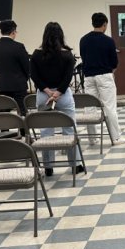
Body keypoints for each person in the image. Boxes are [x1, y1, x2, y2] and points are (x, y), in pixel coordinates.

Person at [30, 22, 81, 177]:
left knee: (46, 131)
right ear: (61, 35)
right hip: (63, 95)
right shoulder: (67, 54)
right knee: (70, 129)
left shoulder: (36, 54)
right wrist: (57, 93)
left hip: (43, 96)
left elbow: (34, 76)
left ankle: (48, 167)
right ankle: (75, 165)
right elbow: (68, 77)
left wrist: (47, 91)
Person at [79, 13, 125, 145]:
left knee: (89, 107)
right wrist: (111, 72)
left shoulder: (83, 40)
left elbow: (83, 58)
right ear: (105, 24)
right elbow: (114, 62)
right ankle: (115, 138)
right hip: (105, 76)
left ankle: (92, 138)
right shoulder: (108, 41)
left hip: (88, 77)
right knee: (109, 107)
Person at [0, 19, 30, 115]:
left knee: (4, 114)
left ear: (1, 31)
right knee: (22, 112)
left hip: (2, 84)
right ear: (13, 32)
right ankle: (23, 125)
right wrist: (24, 78)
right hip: (19, 84)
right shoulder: (19, 46)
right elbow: (26, 66)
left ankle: (5, 125)